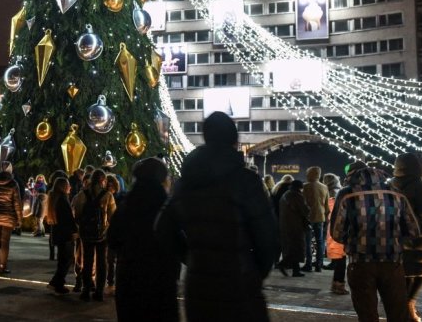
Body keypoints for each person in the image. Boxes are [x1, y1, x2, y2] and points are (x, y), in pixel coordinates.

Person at [156, 112, 279, 321]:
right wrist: (255, 271)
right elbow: (268, 238)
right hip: (240, 285)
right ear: (234, 139)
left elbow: (163, 228)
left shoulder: (185, 184)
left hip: (199, 287)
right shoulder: (246, 181)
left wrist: (190, 256)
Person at [331, 162, 418, 322]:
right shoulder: (397, 194)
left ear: (351, 176)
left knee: (367, 315)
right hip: (392, 262)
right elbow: (413, 231)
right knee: (398, 314)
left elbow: (336, 233)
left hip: (360, 262)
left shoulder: (347, 194)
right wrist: (395, 241)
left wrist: (354, 240)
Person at [108, 157, 179, 322]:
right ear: (161, 179)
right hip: (160, 280)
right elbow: (178, 243)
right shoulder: (165, 206)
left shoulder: (126, 204)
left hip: (129, 278)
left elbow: (112, 239)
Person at [389, 152, 422, 322]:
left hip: (396, 230)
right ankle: (409, 305)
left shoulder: (393, 183)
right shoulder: (418, 184)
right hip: (416, 231)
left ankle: (403, 308)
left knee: (405, 270)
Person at [71, 169, 115, 301]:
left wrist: (82, 226)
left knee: (87, 261)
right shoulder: (108, 195)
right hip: (103, 234)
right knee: (102, 263)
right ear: (103, 180)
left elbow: (76, 213)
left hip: (86, 234)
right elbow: (113, 216)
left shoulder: (82, 195)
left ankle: (86, 290)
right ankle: (99, 291)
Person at [46, 176, 77, 294]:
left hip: (58, 233)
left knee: (62, 259)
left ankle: (57, 282)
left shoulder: (54, 198)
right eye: (68, 185)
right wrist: (74, 231)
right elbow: (68, 218)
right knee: (66, 259)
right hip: (65, 234)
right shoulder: (63, 199)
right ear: (63, 186)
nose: (70, 187)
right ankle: (57, 283)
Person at [322, 173, 349, 295]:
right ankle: (338, 285)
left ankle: (337, 284)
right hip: (339, 227)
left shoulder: (330, 193)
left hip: (334, 227)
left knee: (340, 259)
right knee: (341, 259)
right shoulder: (339, 193)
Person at [279, 180, 310, 277]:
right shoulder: (296, 195)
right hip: (295, 225)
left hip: (286, 224)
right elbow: (304, 210)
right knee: (296, 247)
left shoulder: (286, 194)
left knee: (292, 247)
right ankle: (283, 264)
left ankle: (295, 270)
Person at [303, 166, 329, 272]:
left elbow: (302, 204)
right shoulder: (324, 187)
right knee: (320, 241)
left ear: (310, 174)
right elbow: (326, 205)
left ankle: (308, 264)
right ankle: (319, 265)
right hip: (320, 217)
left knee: (308, 241)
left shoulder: (305, 186)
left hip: (308, 217)